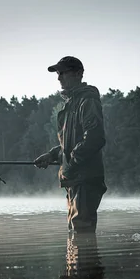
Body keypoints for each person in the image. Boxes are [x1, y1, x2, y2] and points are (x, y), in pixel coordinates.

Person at [34, 56, 107, 233]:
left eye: (63, 73)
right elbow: (71, 143)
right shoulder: (71, 104)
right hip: (75, 179)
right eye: (58, 73)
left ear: (78, 74)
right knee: (76, 234)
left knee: (80, 233)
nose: (59, 78)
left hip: (84, 179)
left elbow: (95, 137)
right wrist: (52, 155)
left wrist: (71, 162)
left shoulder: (86, 100)